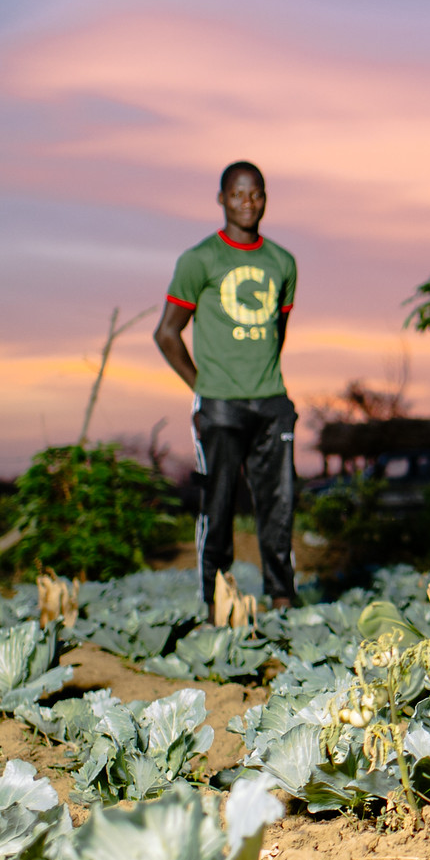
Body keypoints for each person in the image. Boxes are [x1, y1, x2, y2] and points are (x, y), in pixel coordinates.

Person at [154, 161, 301, 610]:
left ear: (265, 198)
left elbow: (279, 330)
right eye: (237, 194)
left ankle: (282, 598)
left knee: (279, 505)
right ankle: (217, 603)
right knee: (216, 507)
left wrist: (262, 379)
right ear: (222, 199)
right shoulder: (199, 260)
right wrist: (205, 386)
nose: (247, 203)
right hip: (221, 407)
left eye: (255, 194)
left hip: (271, 402)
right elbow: (166, 333)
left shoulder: (282, 262)